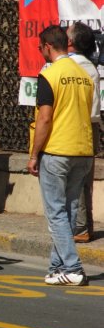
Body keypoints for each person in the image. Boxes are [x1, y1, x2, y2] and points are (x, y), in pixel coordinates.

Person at [27, 25, 93, 286]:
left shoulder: (49, 75)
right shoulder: (84, 74)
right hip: (83, 150)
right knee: (68, 210)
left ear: (46, 46)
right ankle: (56, 267)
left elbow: (45, 119)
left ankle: (74, 267)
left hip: (57, 150)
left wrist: (34, 155)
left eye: (39, 48)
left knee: (56, 214)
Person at [66, 22, 101, 243]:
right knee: (84, 181)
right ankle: (84, 225)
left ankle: (79, 228)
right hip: (92, 125)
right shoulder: (90, 66)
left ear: (71, 42)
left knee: (75, 180)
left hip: (78, 125)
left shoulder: (71, 66)